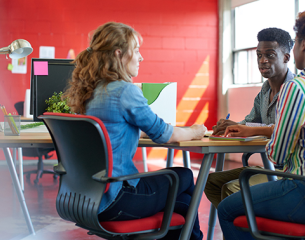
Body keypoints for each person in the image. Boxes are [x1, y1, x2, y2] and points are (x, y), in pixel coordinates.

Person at [63, 22, 206, 240]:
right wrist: (196, 130)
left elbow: (110, 132)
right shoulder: (125, 91)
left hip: (85, 198)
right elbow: (166, 134)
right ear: (120, 54)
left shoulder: (90, 91)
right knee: (184, 175)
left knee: (184, 204)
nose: (141, 57)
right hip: (116, 198)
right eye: (136, 50)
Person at [217, 7, 305, 240]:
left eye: (296, 40)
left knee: (227, 209)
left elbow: (277, 156)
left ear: (303, 44)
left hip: (303, 191)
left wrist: (271, 134)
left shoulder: (295, 87)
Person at [205, 28, 295, 208]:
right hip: (270, 166)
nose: (263, 61)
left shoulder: (295, 89)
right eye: (259, 55)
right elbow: (252, 121)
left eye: (270, 55)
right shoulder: (265, 89)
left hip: (290, 171)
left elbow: (285, 129)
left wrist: (248, 128)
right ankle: (244, 226)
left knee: (232, 189)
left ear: (286, 57)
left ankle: (248, 226)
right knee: (211, 182)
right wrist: (234, 125)